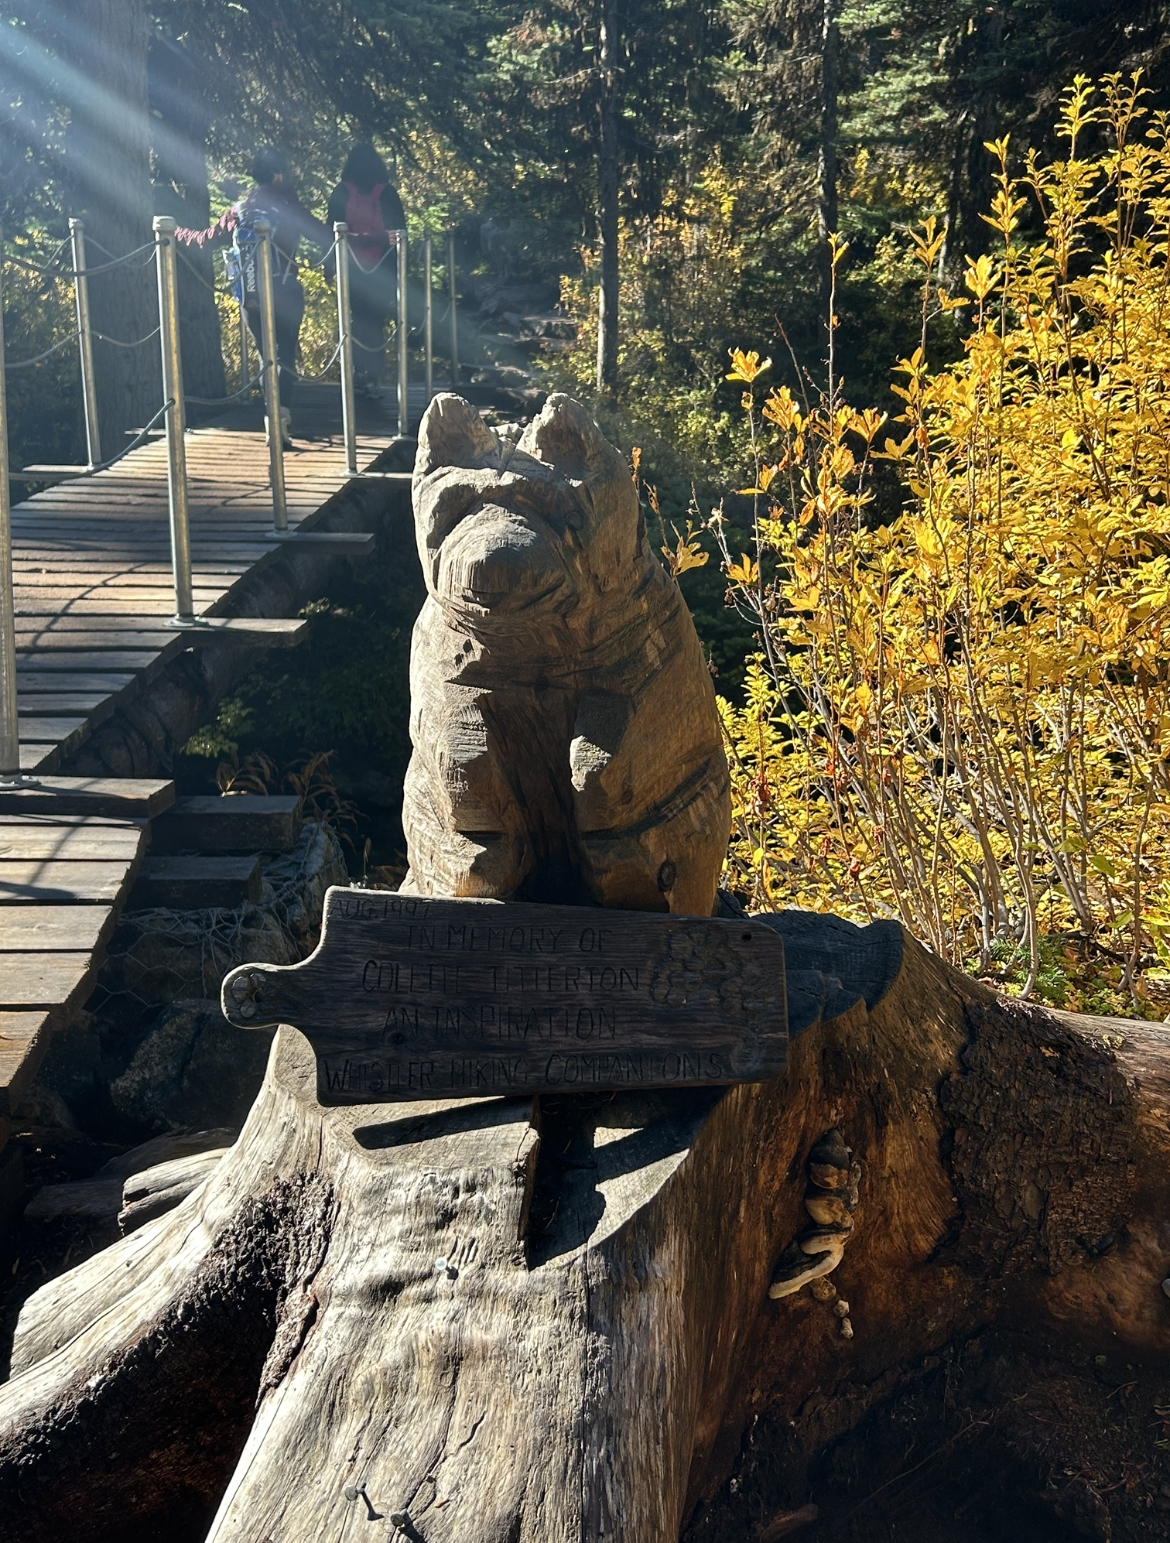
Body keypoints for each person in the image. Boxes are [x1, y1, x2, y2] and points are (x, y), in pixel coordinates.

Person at [177, 147, 329, 445]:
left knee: (265, 358)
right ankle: (281, 418)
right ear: (278, 175)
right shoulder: (288, 209)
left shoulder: (239, 210)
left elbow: (202, 241)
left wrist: (173, 233)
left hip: (251, 295)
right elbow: (325, 235)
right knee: (284, 355)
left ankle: (271, 417)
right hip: (285, 291)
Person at [326, 144, 406, 394]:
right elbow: (400, 234)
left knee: (357, 321)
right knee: (376, 321)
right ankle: (372, 375)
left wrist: (329, 268)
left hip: (352, 270)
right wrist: (400, 272)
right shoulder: (388, 193)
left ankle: (359, 373)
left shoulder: (341, 192)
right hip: (382, 270)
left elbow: (330, 233)